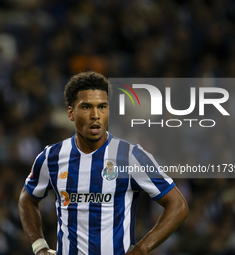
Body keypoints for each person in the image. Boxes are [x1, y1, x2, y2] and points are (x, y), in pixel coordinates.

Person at [18, 71, 189, 255]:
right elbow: (27, 199)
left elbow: (178, 205)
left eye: (102, 107)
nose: (95, 115)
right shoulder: (52, 157)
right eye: (86, 107)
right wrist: (39, 246)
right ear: (71, 113)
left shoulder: (130, 156)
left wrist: (141, 249)